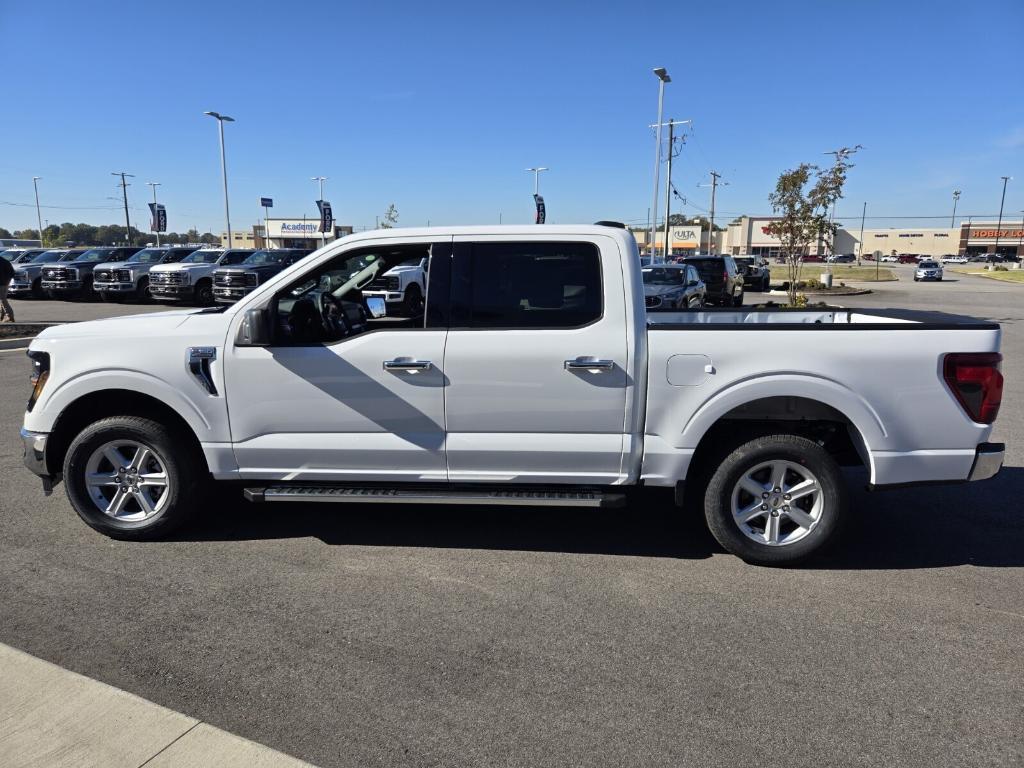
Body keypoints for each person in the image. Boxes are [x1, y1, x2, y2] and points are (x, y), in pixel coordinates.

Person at [0, 251, 15, 322]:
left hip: (1, 284)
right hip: (5, 283)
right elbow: (13, 273)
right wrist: (7, 281)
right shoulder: (5, 261)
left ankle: (9, 315)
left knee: (3, 300)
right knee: (2, 299)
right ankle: (2, 316)